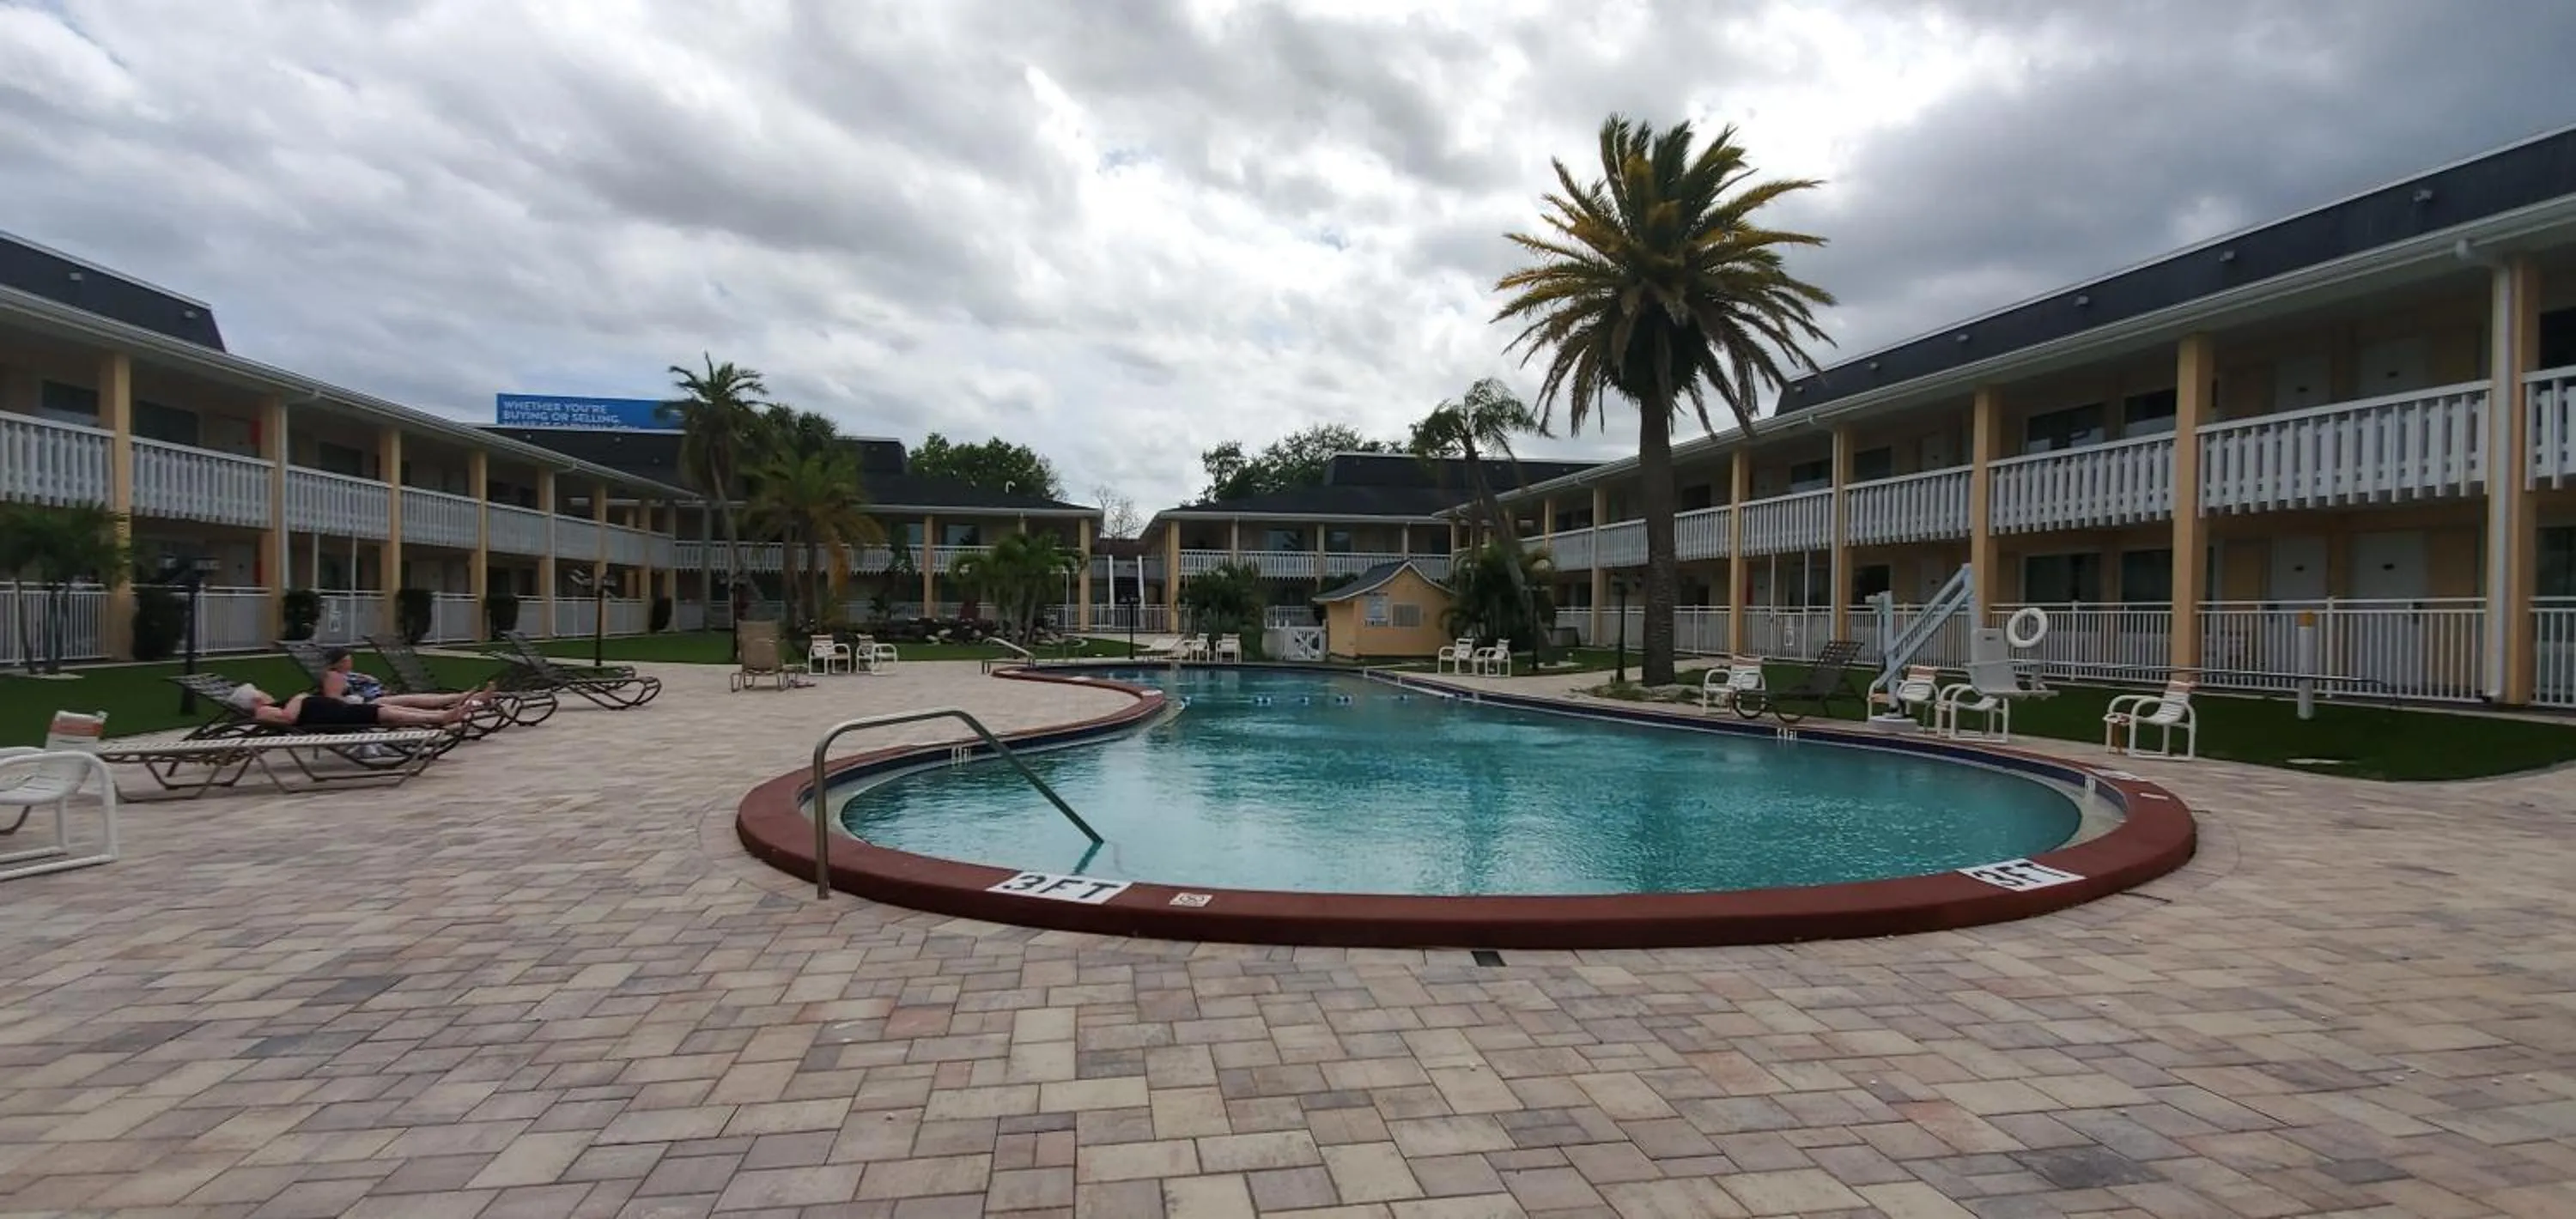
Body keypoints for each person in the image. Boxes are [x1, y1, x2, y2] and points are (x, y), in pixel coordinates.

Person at [224, 682, 475, 731]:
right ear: (256, 699)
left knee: (388, 711)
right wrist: (299, 698)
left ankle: (443, 714)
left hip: (334, 710)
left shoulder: (267, 708)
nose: (267, 691)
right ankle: (441, 717)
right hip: (334, 715)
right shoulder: (263, 711)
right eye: (261, 691)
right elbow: (290, 719)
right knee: (386, 713)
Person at [313, 647, 490, 712]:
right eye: (346, 660)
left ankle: (472, 698)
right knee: (417, 700)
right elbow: (334, 700)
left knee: (424, 699)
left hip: (376, 697)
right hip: (369, 702)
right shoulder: (333, 676)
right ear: (337, 663)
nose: (350, 662)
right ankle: (468, 697)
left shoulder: (345, 674)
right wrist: (356, 700)